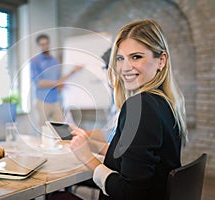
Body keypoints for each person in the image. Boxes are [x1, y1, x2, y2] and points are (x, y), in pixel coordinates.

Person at [69, 20, 188, 200]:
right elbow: (135, 155)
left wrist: (87, 158)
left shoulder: (140, 106)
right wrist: (92, 145)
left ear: (161, 60)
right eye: (120, 58)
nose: (125, 68)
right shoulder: (165, 102)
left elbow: (130, 193)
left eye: (136, 57)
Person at [31, 34, 82, 127]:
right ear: (38, 46)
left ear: (49, 44)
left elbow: (59, 80)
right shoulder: (35, 61)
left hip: (55, 100)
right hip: (42, 101)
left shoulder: (55, 61)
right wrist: (56, 84)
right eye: (42, 44)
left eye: (46, 44)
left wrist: (73, 71)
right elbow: (39, 83)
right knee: (43, 131)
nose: (44, 46)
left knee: (61, 128)